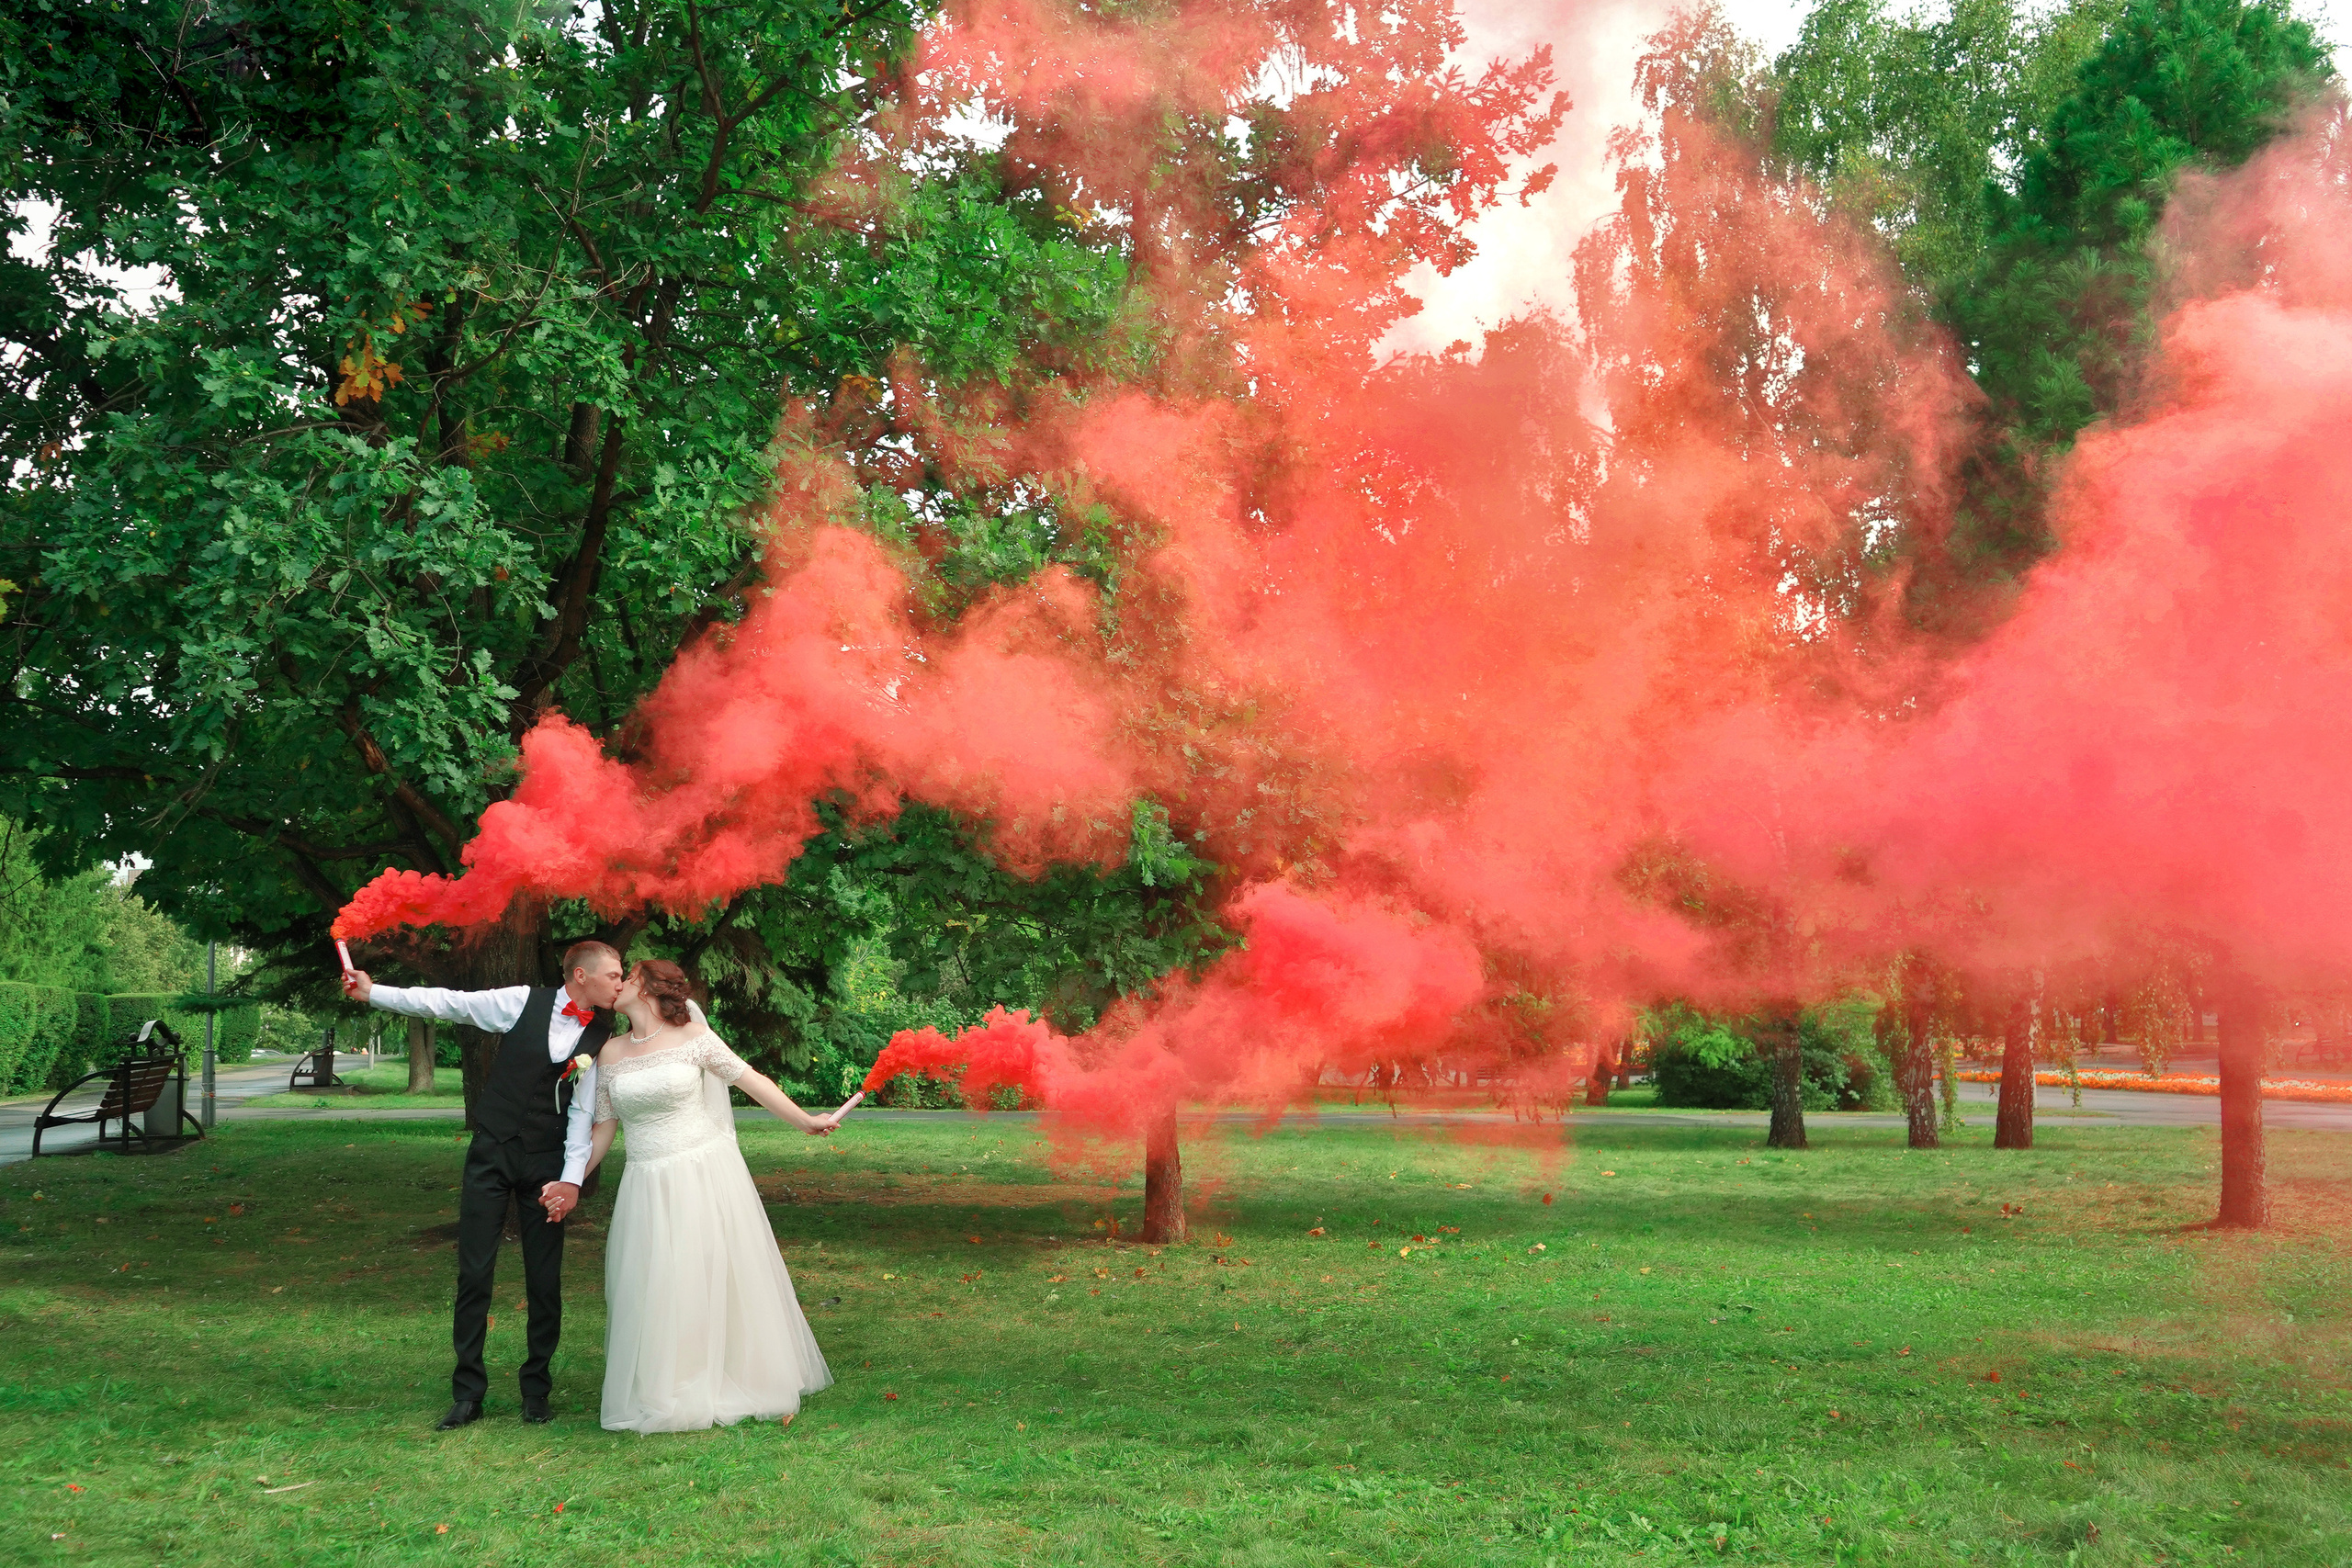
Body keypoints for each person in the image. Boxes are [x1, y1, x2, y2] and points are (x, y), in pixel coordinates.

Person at [340, 942, 622, 1430]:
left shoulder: (602, 1030)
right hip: (491, 1153)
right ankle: (468, 1393)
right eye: (615, 974)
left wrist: (571, 1180)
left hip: (547, 1163)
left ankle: (536, 1390)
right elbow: (448, 1002)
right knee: (474, 1275)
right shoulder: (521, 1002)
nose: (621, 983)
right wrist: (374, 993)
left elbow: (582, 1111)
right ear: (581, 975)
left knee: (544, 1279)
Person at [589, 958, 838, 1432]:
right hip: (645, 1181)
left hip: (701, 1171)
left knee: (701, 1271)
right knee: (654, 1278)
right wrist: (572, 1178)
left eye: (627, 977)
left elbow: (752, 1080)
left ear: (646, 987)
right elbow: (604, 1126)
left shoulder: (693, 1039)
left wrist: (806, 1121)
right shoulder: (611, 1053)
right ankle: (668, 1381)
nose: (617, 984)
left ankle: (724, 1373)